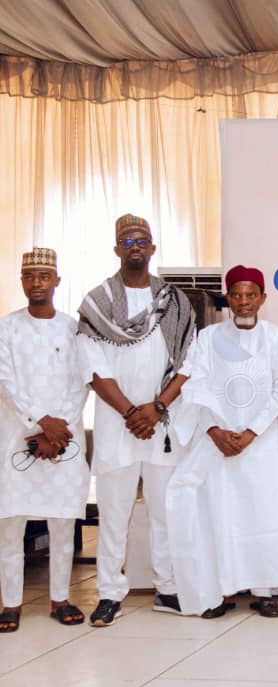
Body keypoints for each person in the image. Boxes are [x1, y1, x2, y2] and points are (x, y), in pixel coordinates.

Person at [166, 265, 278, 619]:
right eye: (237, 295)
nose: (244, 302)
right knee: (223, 514)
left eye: (250, 295)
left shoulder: (276, 339)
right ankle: (223, 591)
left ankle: (263, 592)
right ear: (228, 298)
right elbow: (195, 385)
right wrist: (215, 430)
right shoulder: (208, 338)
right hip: (219, 442)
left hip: (263, 442)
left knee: (264, 513)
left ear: (262, 298)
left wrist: (252, 432)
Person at [77, 214, 195, 626]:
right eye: (127, 241)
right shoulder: (96, 303)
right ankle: (110, 593)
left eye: (141, 239)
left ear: (153, 247)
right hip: (118, 423)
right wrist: (131, 412)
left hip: (163, 422)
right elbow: (93, 369)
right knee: (114, 514)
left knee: (165, 511)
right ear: (116, 249)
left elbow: (189, 362)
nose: (135, 246)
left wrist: (157, 407)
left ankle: (168, 587)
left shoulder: (175, 302)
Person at [0, 249, 90, 632]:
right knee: (11, 523)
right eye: (29, 276)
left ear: (56, 281)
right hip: (16, 436)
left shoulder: (73, 329)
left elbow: (82, 381)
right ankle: (10, 603)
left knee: (62, 521)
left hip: (63, 439)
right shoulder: (6, 327)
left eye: (43, 276)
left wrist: (58, 428)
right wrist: (40, 423)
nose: (36, 283)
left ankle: (60, 599)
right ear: (22, 281)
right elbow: (5, 381)